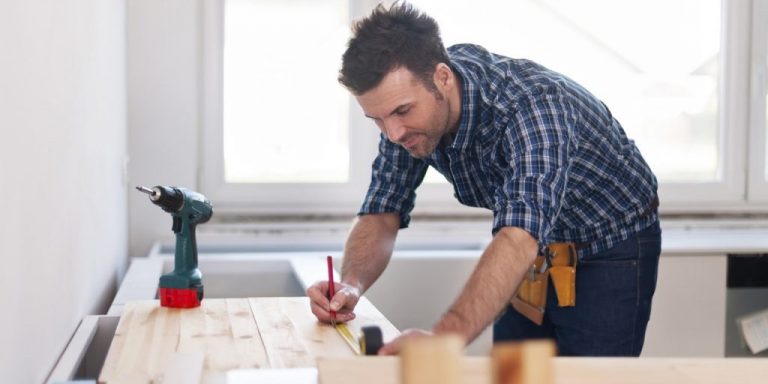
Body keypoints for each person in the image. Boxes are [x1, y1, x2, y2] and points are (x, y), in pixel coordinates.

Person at [306, 1, 661, 357]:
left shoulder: (533, 106)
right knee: (513, 375)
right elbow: (383, 209)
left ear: (442, 78)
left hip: (608, 243)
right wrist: (349, 286)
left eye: (402, 111)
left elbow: (520, 235)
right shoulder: (405, 115)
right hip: (533, 253)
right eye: (378, 119)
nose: (393, 132)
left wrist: (444, 338)